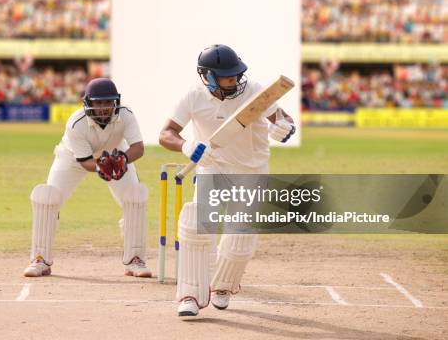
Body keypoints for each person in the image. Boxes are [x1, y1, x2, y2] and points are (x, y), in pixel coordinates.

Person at [158, 44, 296, 317]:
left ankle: (223, 286)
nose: (235, 80)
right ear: (208, 77)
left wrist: (284, 127)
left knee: (240, 237)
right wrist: (187, 146)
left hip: (252, 172)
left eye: (236, 75)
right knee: (196, 224)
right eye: (227, 77)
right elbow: (166, 133)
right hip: (212, 168)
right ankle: (189, 294)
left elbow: (281, 118)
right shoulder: (193, 97)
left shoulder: (255, 91)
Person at [23, 78, 151, 278]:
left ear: (115, 102)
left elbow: (138, 148)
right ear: (88, 103)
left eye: (107, 102)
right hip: (72, 158)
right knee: (47, 199)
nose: (103, 108)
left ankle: (135, 260)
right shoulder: (76, 123)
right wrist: (103, 167)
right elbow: (84, 161)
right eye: (98, 103)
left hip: (116, 155)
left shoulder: (126, 114)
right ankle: (40, 259)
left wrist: (122, 160)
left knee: (134, 199)